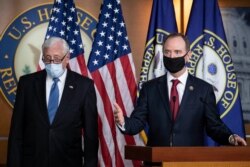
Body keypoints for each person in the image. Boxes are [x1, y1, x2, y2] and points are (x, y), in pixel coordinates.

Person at [114, 33, 247, 165]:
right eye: (167, 52)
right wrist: (123, 121)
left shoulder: (204, 89)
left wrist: (230, 137)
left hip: (190, 162)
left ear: (188, 55)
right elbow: (137, 122)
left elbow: (214, 126)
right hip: (156, 162)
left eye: (177, 52)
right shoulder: (149, 89)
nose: (172, 56)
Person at [7, 37, 98, 167]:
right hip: (32, 161)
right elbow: (16, 132)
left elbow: (91, 136)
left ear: (67, 58)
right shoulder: (27, 84)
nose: (51, 63)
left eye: (56, 58)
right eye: (47, 58)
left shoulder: (84, 86)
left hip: (69, 162)